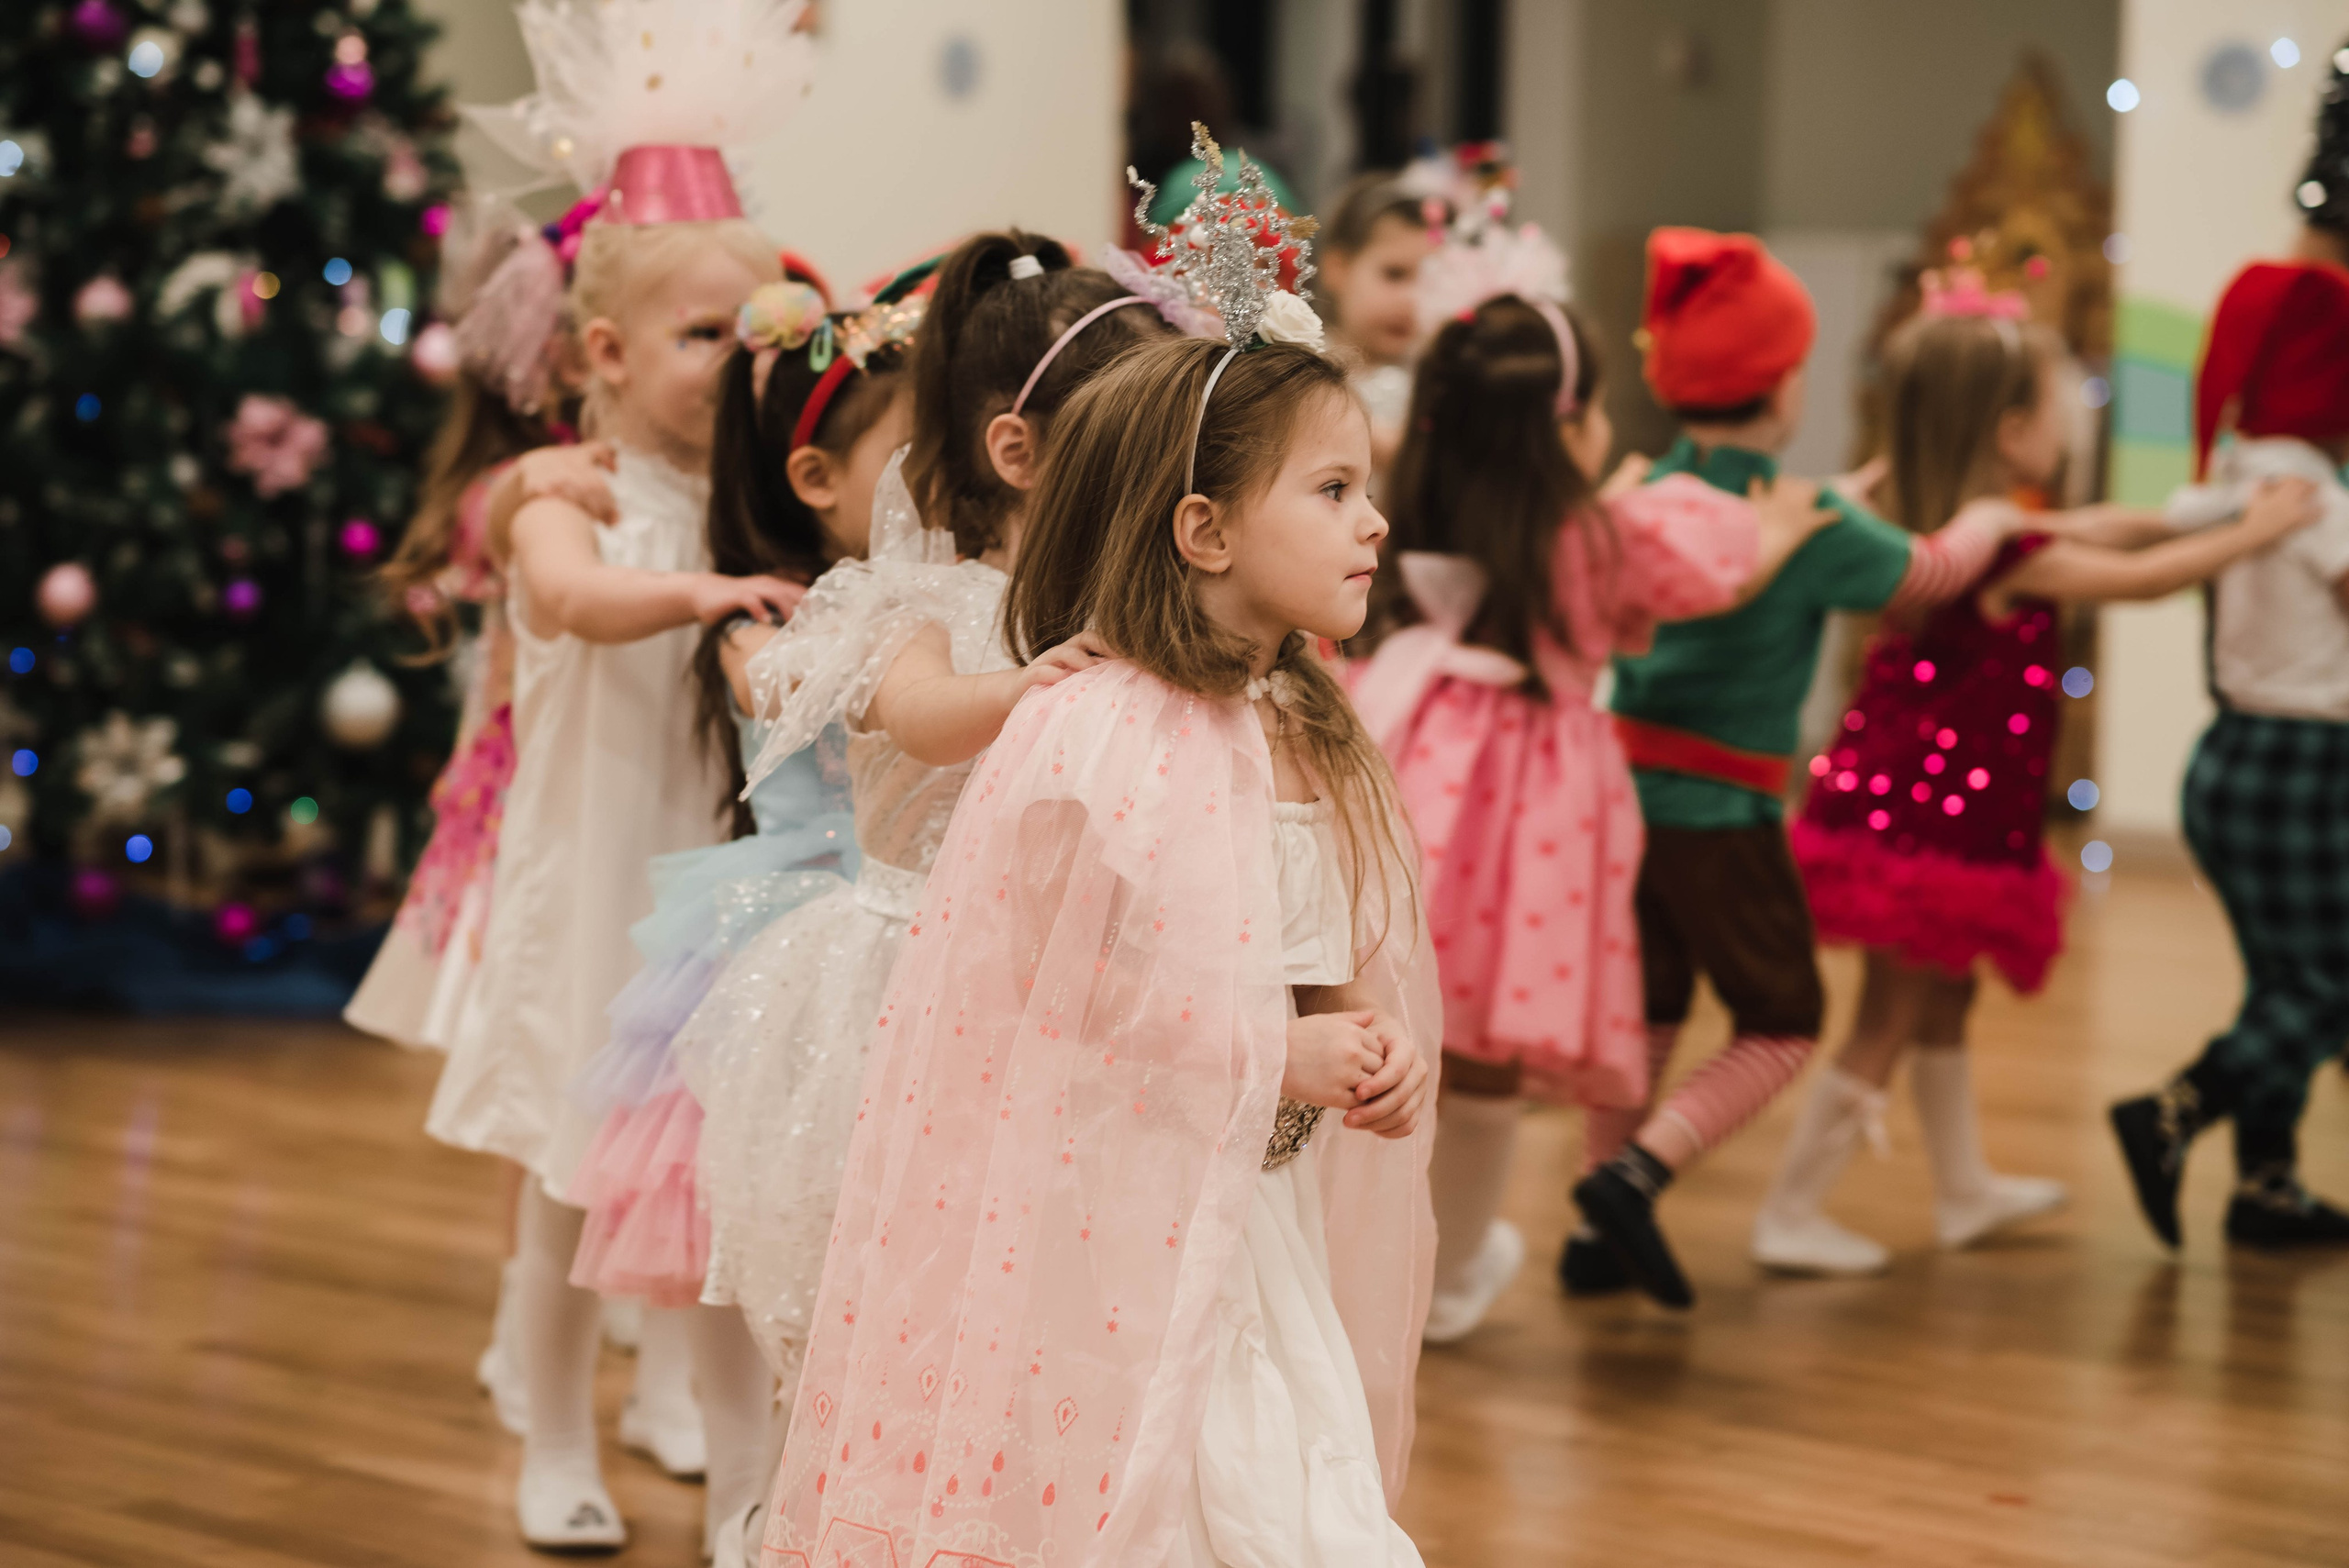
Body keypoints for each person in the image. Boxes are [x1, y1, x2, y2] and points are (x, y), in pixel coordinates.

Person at [761, 167, 1436, 1567]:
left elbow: (1296, 964)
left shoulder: (1300, 715)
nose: (1374, 524)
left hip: (1259, 1227)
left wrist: (1355, 1047)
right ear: (1202, 531)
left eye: (1366, 488)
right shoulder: (1092, 737)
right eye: (1332, 489)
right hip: (1109, 1241)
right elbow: (1054, 1012)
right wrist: (1273, 1055)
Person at [673, 231, 1179, 1562]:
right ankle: (807, 1512)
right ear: (1020, 455)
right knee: (874, 1293)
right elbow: (923, 713)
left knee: (1026, 1304)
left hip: (1055, 1007)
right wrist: (1031, 684)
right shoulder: (915, 600)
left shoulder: (1130, 606)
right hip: (905, 998)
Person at [418, 6, 820, 1538]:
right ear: (603, 353)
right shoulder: (563, 498)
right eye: (702, 337)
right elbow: (578, 604)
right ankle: (552, 1441)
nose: (736, 363)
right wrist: (704, 596)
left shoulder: (757, 514)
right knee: (573, 1185)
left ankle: (740, 1481)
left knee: (718, 1182)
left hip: (714, 902)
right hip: (596, 878)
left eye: (754, 337)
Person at [1757, 289, 2321, 1274]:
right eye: (2059, 405)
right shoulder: (2004, 552)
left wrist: (2229, 505)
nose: (2070, 421)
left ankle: (1964, 1185)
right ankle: (1791, 1208)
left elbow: (2107, 524)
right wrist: (2254, 531)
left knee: (1944, 1002)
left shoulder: (1958, 525)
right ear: (2013, 430)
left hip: (1940, 816)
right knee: (1888, 1013)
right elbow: (2144, 576)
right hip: (1919, 831)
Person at [1346, 211, 1832, 1342]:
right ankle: (1450, 1273)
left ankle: (1382, 1266)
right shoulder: (1605, 536)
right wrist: (1791, 520)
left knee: (1404, 1033)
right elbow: (1727, 560)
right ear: (1562, 432)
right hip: (1532, 813)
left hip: (1414, 772)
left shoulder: (1411, 504)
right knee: (1480, 1075)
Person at [1576, 227, 2035, 1309]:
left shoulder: (1641, 490)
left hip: (1621, 798)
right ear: (1784, 389)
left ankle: (1594, 1225)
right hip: (1723, 814)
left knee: (1647, 1008)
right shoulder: (1814, 523)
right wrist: (1988, 515)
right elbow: (1927, 574)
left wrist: (1839, 500)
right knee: (1780, 1018)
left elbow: (1751, 528)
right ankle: (1640, 1178)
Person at [2110, 258, 2349, 1251]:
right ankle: (2173, 1109)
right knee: (2330, 985)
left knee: (2282, 978)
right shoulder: (2315, 493)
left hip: (2229, 763)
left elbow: (2148, 524)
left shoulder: (2240, 477)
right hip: (2304, 770)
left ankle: (2266, 1183)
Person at [1317, 171, 1435, 466]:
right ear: (1338, 268)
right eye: (1394, 274)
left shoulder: (1436, 382)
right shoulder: (1304, 365)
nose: (1412, 301)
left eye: (1432, 282)